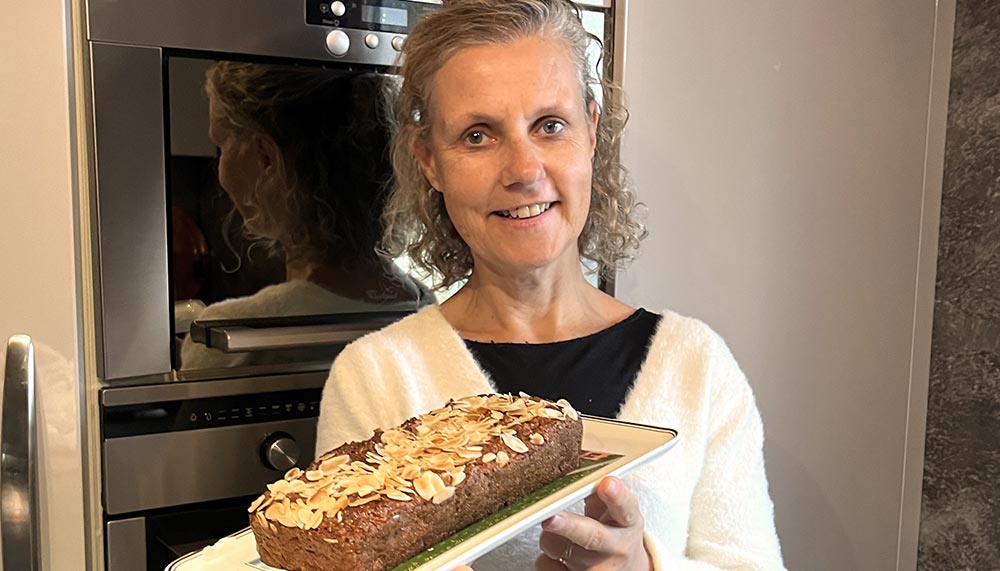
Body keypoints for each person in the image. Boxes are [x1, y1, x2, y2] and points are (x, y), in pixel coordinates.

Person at [316, 1, 787, 569]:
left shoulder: (697, 366)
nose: (523, 169)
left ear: (591, 132)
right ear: (430, 162)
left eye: (550, 125)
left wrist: (648, 568)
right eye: (477, 135)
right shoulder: (376, 377)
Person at [180, 62, 430, 370]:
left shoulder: (224, 340)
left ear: (265, 158)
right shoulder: (430, 313)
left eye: (221, 146)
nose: (220, 173)